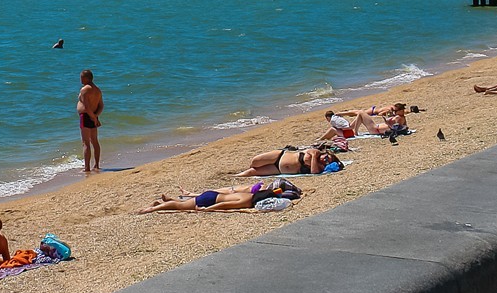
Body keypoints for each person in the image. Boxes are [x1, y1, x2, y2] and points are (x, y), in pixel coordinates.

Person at [137, 180, 302, 213]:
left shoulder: (251, 193)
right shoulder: (247, 201)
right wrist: (207, 209)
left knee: (185, 203)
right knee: (179, 207)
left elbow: (227, 195)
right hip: (211, 200)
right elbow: (225, 206)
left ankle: (167, 201)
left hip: (213, 194)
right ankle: (153, 208)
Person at [236, 146, 334, 177]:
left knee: (252, 172)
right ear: (324, 153)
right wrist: (313, 154)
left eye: (327, 161)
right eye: (326, 157)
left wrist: (313, 157)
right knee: (255, 162)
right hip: (279, 156)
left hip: (279, 170)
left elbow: (314, 172)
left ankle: (235, 176)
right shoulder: (315, 151)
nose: (324, 160)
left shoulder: (319, 166)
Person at [77, 69, 103, 173]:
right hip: (93, 116)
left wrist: (92, 117)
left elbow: (86, 106)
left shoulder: (85, 90)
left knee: (86, 143)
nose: (80, 80)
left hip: (86, 116)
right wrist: (96, 116)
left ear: (86, 78)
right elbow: (101, 106)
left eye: (81, 77)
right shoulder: (97, 90)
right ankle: (96, 165)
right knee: (95, 141)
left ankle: (87, 167)